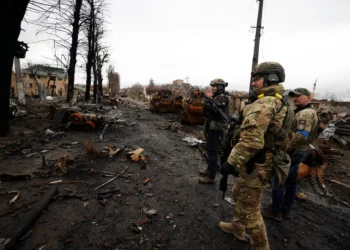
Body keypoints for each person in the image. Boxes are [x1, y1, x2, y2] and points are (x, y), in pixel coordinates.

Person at [218, 62, 291, 250]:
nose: (253, 83)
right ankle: (237, 227)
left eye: (257, 79)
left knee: (250, 209)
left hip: (257, 162)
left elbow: (252, 142)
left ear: (271, 78)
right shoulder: (279, 101)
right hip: (258, 159)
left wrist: (230, 162)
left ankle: (260, 246)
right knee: (238, 193)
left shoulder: (264, 103)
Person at [262, 88, 319, 221]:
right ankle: (285, 209)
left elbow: (302, 135)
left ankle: (275, 211)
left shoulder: (305, 114)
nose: (295, 99)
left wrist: (287, 147)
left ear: (308, 98)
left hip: (294, 151)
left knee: (277, 180)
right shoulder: (304, 112)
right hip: (300, 151)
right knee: (291, 181)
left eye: (299, 96)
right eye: (294, 97)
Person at [199, 78, 229, 184]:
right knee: (210, 149)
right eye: (212, 86)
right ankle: (209, 170)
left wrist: (209, 102)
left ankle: (211, 176)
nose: (212, 88)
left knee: (213, 151)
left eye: (215, 86)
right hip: (213, 126)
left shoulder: (221, 97)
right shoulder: (218, 96)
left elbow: (216, 111)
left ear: (220, 86)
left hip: (217, 128)